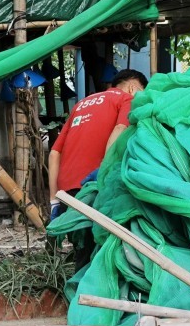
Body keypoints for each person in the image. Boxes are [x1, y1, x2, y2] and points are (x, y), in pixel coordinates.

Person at [48, 69, 148, 224]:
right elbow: (120, 129)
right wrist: (105, 169)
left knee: (78, 241)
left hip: (65, 191)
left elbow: (54, 153)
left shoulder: (81, 103)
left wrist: (53, 200)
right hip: (93, 185)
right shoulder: (127, 99)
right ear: (132, 88)